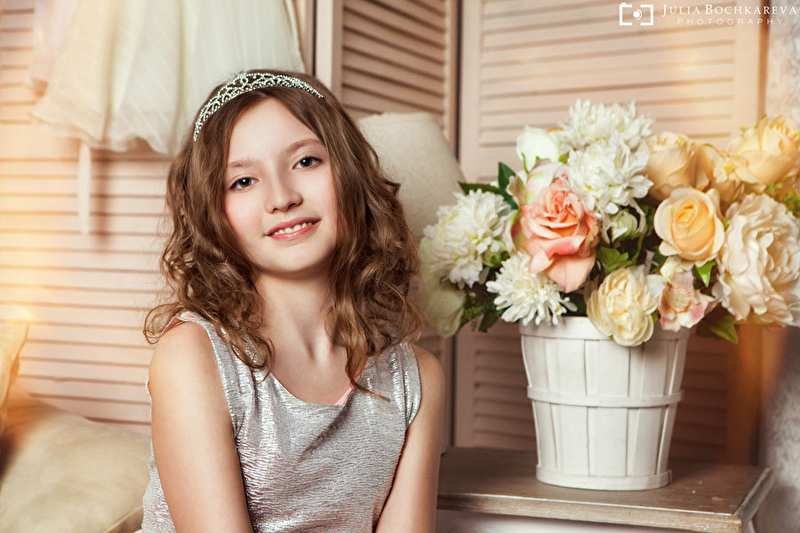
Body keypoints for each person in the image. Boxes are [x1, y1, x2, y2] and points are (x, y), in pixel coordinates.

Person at [140, 69, 445, 532]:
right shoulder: (194, 356)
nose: (282, 198)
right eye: (243, 181)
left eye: (306, 161)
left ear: (350, 174)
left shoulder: (417, 379)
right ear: (213, 214)